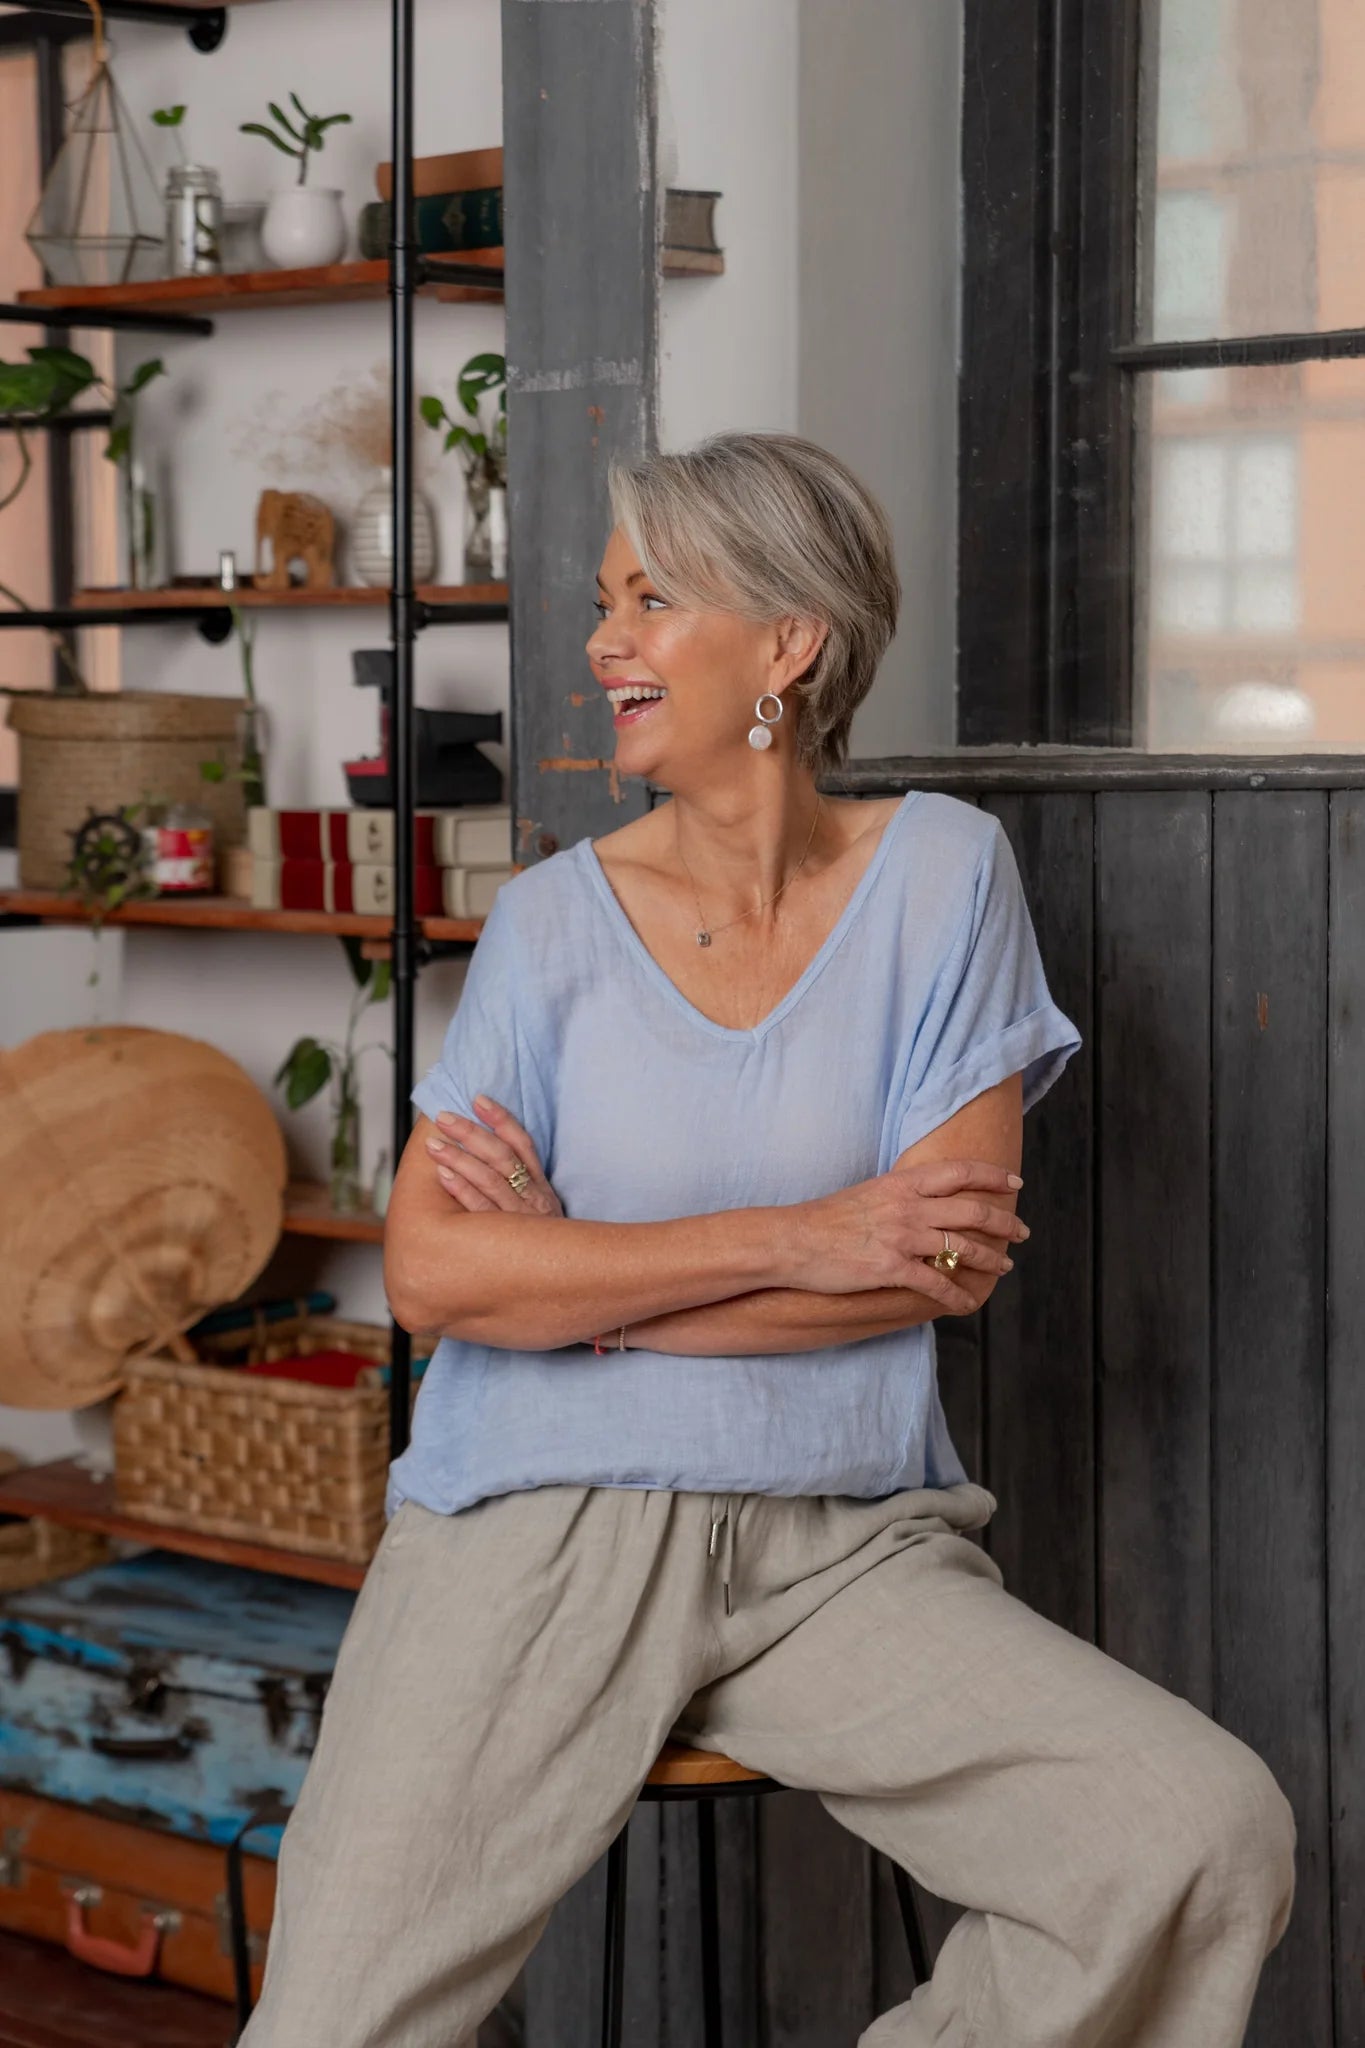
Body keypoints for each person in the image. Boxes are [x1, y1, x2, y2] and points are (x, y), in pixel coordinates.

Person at [242, 432, 1295, 2047]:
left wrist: (584, 1288)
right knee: (335, 2022)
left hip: (837, 1539)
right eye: (605, 601)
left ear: (788, 643)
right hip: (538, 1528)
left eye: (649, 600)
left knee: (1190, 1831)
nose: (602, 641)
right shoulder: (547, 925)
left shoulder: (942, 873)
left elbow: (936, 1270)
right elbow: (440, 1278)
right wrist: (807, 1235)